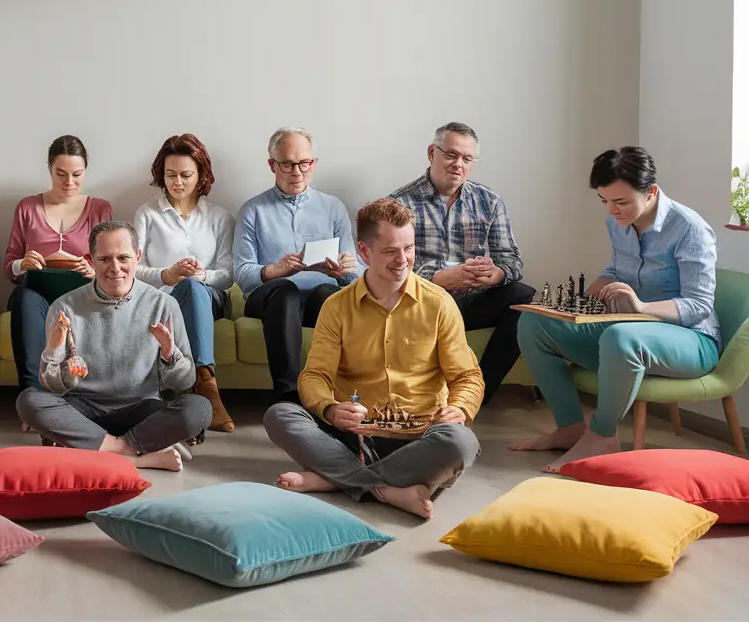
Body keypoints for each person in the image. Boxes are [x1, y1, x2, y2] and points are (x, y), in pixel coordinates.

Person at [263, 198, 483, 519]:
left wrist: (460, 408)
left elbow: (467, 377)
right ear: (364, 252)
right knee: (280, 415)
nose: (403, 259)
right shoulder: (337, 307)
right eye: (391, 251)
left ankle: (337, 480)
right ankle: (387, 488)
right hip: (353, 438)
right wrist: (330, 408)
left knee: (461, 442)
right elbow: (315, 376)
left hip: (421, 438)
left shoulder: (439, 303)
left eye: (408, 248)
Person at [509, 147, 720, 472]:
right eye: (604, 201)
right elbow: (618, 270)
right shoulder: (619, 222)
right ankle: (570, 428)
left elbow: (698, 305)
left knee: (620, 337)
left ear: (650, 192)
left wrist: (642, 306)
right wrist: (591, 291)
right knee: (533, 322)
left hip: (691, 340)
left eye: (620, 202)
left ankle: (602, 437)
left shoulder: (690, 229)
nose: (612, 211)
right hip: (631, 333)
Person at [16, 221, 213, 471]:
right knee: (29, 400)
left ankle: (95, 449)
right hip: (84, 409)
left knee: (199, 408)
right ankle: (134, 455)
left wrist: (169, 353)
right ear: (91, 260)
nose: (115, 268)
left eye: (123, 258)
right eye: (105, 259)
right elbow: (51, 385)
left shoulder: (164, 305)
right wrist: (55, 352)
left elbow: (184, 383)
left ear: (137, 257)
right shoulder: (64, 307)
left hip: (142, 408)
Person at [390, 122, 533, 404]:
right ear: (432, 153)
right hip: (425, 302)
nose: (458, 164)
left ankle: (478, 394)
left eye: (467, 159)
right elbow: (392, 267)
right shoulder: (399, 203)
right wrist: (440, 279)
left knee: (523, 297)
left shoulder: (489, 201)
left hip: (474, 299)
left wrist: (496, 273)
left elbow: (512, 260)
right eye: (451, 155)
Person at [234, 126, 361, 403]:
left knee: (331, 296)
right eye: (288, 164)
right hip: (269, 298)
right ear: (272, 165)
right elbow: (242, 274)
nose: (297, 172)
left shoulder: (333, 207)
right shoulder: (252, 210)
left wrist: (347, 271)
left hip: (319, 296)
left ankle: (340, 396)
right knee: (285, 291)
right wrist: (275, 270)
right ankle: (289, 399)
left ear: (314, 163)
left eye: (305, 163)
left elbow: (355, 273)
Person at [132, 134, 235, 434]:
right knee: (183, 289)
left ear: (201, 174)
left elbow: (229, 275)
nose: (177, 182)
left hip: (210, 298)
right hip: (162, 299)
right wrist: (167, 275)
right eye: (170, 175)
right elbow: (132, 269)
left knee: (193, 288)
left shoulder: (219, 217)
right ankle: (197, 393)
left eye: (186, 175)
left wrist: (199, 276)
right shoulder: (147, 214)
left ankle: (206, 384)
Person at [4, 135, 112, 391]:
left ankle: (86, 395)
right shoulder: (28, 207)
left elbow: (110, 264)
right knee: (23, 297)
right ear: (49, 169)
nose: (69, 182)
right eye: (60, 173)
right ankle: (32, 394)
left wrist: (94, 271)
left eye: (77, 174)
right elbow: (9, 267)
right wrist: (23, 263)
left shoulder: (99, 208)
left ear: (86, 169)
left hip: (82, 292)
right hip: (36, 291)